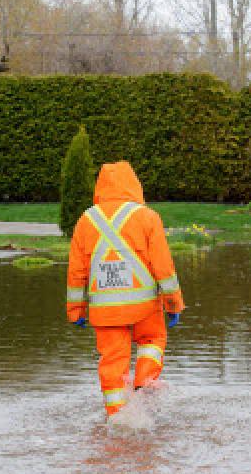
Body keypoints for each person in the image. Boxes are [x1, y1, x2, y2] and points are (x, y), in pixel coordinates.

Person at [66, 161, 185, 417]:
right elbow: (163, 266)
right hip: (144, 307)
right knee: (152, 340)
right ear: (134, 185)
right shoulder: (148, 217)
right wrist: (173, 303)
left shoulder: (85, 221)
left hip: (105, 311)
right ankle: (144, 381)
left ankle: (117, 416)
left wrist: (76, 310)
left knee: (112, 362)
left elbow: (76, 272)